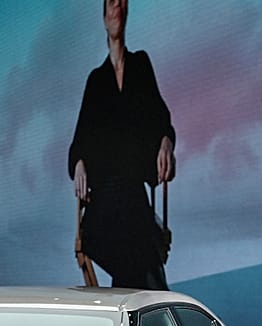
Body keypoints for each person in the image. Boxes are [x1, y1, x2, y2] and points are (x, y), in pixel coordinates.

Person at [68, 0, 176, 291]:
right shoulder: (96, 80)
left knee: (139, 244)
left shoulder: (141, 64)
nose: (118, 5)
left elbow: (160, 118)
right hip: (103, 202)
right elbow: (79, 140)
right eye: (112, 1)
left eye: (123, 1)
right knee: (141, 250)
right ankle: (158, 322)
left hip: (133, 197)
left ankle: (140, 321)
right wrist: (78, 162)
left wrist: (166, 142)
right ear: (104, 17)